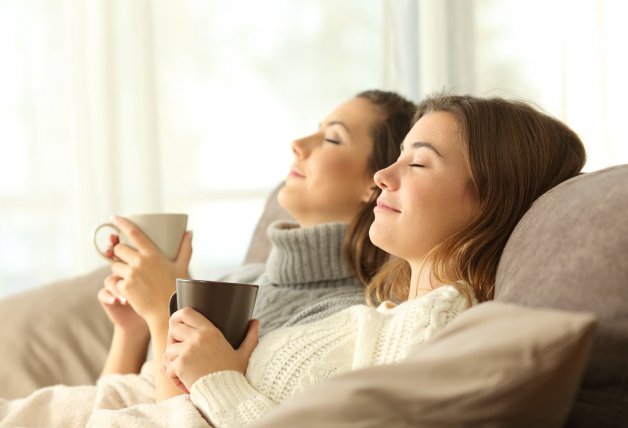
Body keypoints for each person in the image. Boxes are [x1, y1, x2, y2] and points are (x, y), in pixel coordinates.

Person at [84, 93, 586, 426]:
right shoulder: (375, 319)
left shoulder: (438, 328)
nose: (383, 178)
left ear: (490, 197)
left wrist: (214, 379)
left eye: (417, 162)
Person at [0, 90, 416, 426]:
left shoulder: (343, 316)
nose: (297, 144)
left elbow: (178, 419)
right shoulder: (246, 276)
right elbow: (125, 406)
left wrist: (167, 311)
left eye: (331, 138)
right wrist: (131, 331)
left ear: (377, 182)